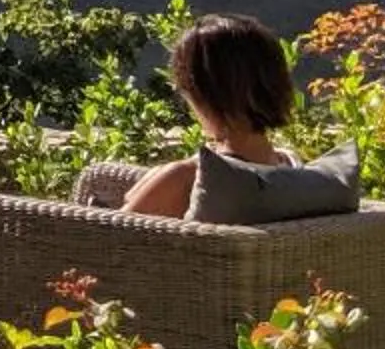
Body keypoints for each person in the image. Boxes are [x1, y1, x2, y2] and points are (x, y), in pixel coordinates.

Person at [115, 12, 302, 218]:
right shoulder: (293, 168)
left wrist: (173, 175)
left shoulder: (189, 179)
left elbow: (101, 242)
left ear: (203, 95)